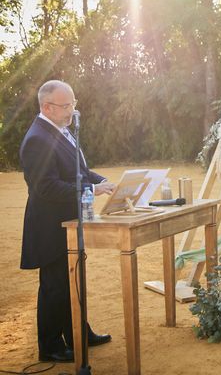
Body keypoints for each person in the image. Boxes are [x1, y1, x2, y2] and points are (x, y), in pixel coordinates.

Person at [20, 80, 116, 362]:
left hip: (71, 222)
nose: (72, 111)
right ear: (46, 107)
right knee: (55, 285)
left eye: (73, 103)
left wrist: (100, 181)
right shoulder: (38, 138)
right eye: (66, 106)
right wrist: (90, 189)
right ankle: (50, 346)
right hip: (51, 227)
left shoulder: (60, 131)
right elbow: (46, 187)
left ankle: (78, 334)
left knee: (74, 279)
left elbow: (78, 170)